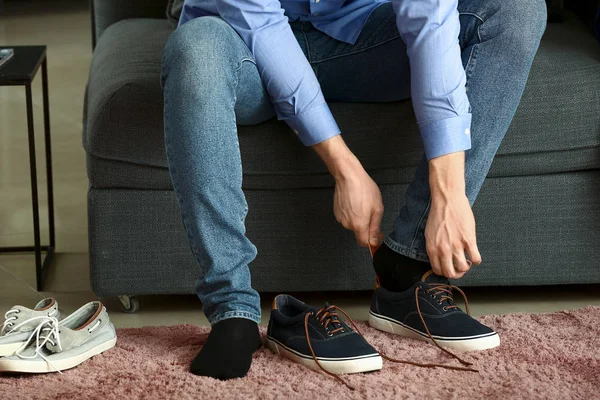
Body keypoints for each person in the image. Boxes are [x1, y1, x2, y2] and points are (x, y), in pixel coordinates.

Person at [160, 0, 547, 380]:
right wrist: (345, 168)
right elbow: (260, 26)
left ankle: (405, 273)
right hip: (244, 46)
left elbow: (429, 17)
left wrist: (449, 193)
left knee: (516, 8)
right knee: (196, 48)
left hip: (363, 39)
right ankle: (232, 309)